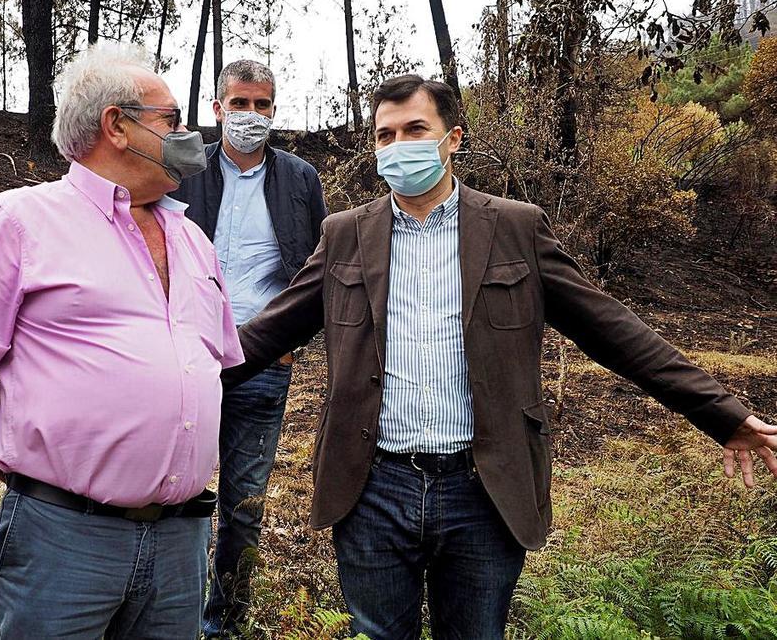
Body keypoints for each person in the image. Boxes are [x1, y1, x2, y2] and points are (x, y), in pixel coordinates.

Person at [224, 74, 777, 639]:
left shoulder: (515, 227)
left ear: (454, 137)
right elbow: (266, 334)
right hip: (371, 490)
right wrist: (173, 382)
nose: (398, 147)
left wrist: (721, 413)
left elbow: (612, 330)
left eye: (415, 129)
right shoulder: (344, 234)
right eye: (384, 136)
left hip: (483, 489)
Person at [0, 42, 243, 639]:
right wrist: (28, 472)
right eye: (170, 119)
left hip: (181, 541)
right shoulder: (18, 220)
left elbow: (208, 368)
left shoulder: (193, 239)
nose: (187, 133)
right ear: (117, 126)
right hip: (63, 536)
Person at [169, 59, 326, 636]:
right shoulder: (184, 171)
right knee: (175, 493)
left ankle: (225, 624)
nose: (251, 115)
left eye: (262, 104)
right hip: (181, 361)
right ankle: (172, 618)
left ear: (274, 110)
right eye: (239, 103)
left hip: (261, 364)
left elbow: (317, 268)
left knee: (243, 507)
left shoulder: (300, 180)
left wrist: (288, 346)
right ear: (217, 109)